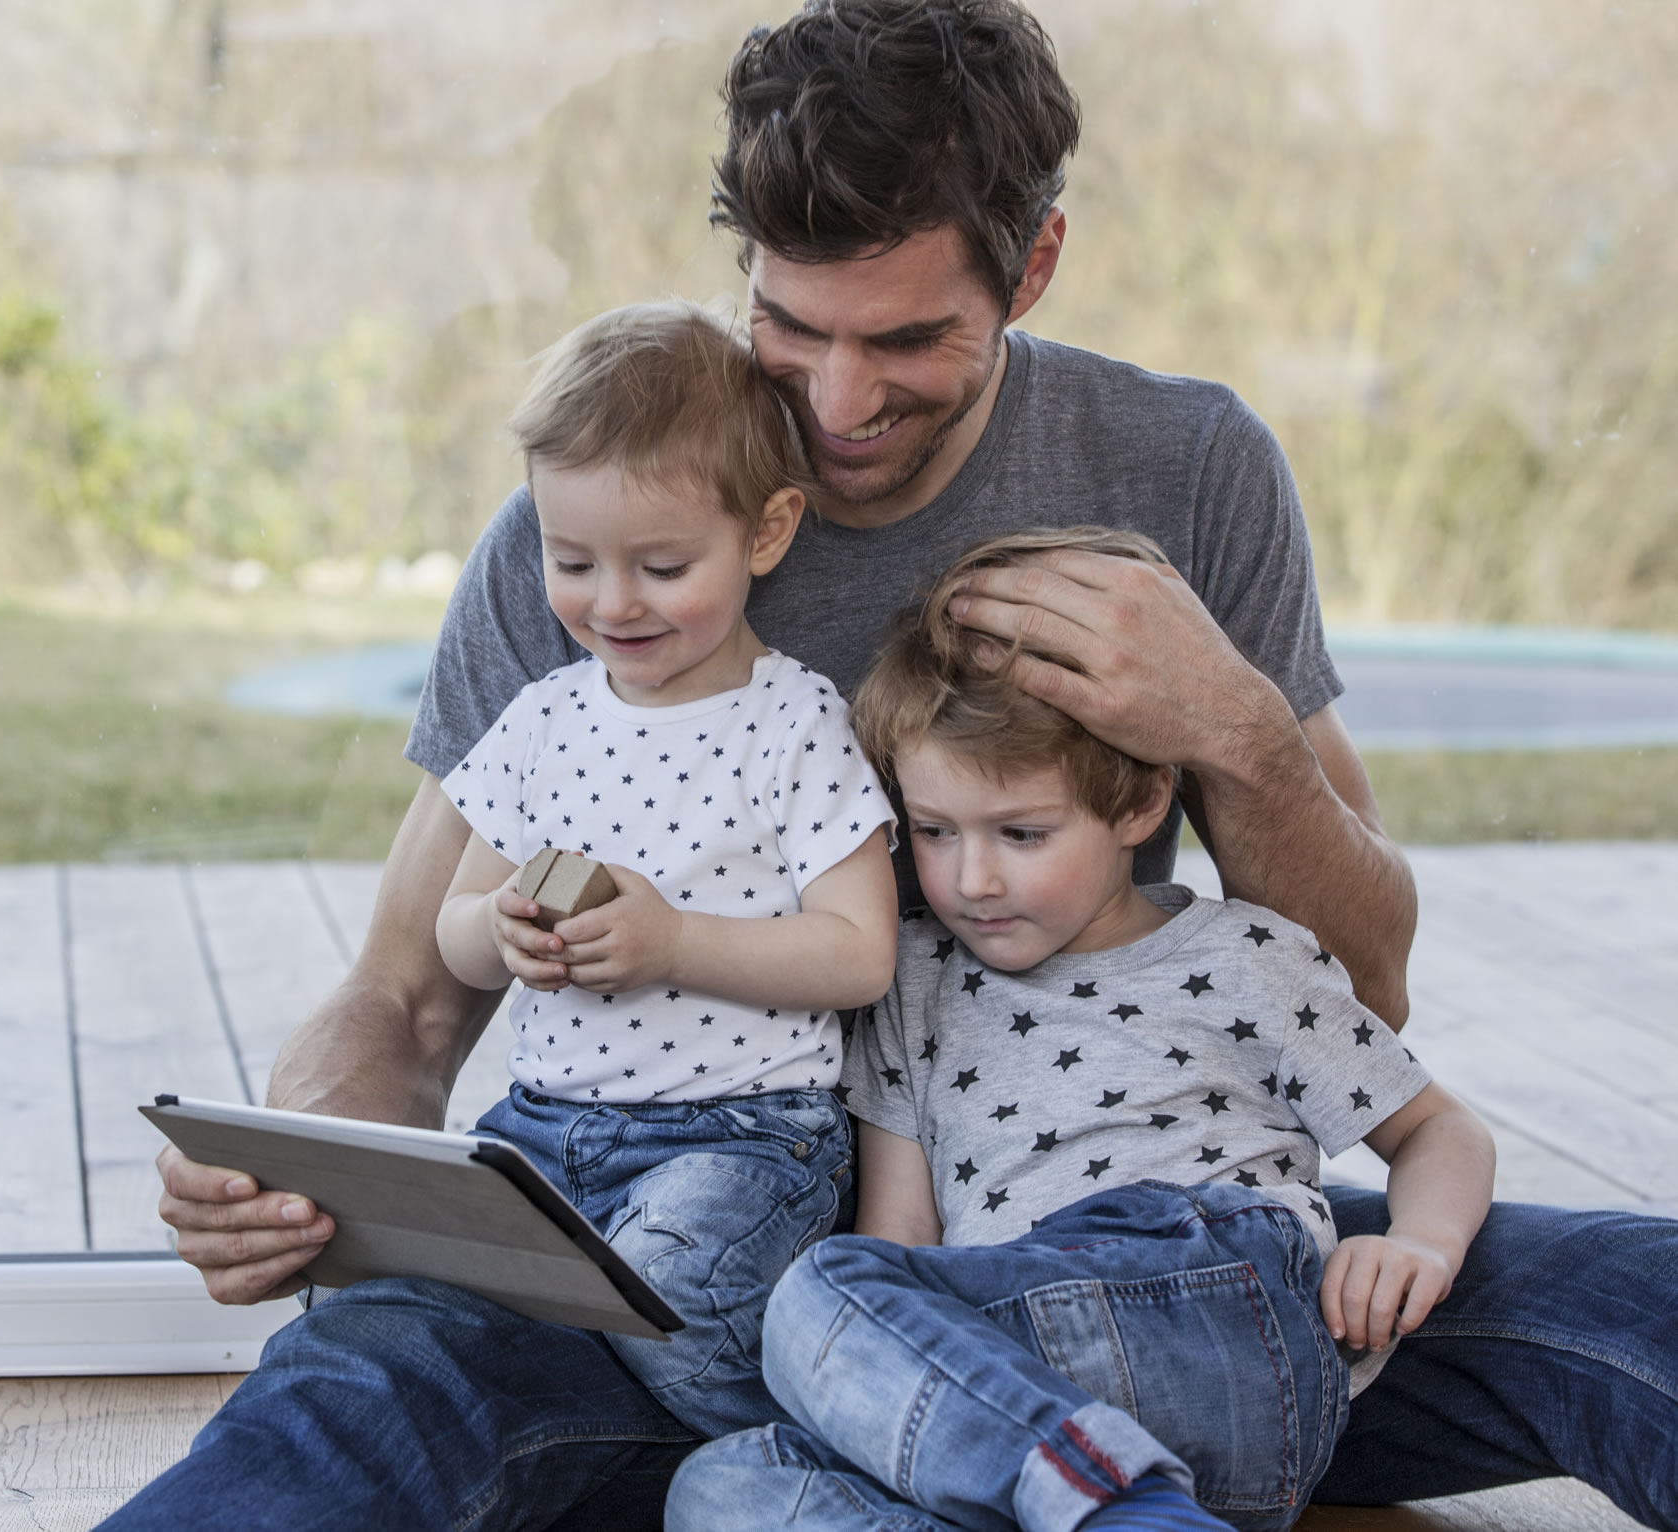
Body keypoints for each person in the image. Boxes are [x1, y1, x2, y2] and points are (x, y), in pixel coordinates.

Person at [120, 4, 1678, 1528]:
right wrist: (302, 1169)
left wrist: (1232, 727)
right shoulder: (611, 539)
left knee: (1636, 1300)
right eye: (788, 328)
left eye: (906, 338)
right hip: (682, 1266)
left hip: (1117, 1242)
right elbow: (402, 996)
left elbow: (1360, 990)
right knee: (358, 1389)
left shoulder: (1184, 470)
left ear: (1034, 264)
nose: (837, 406)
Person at [664, 528, 1497, 1532]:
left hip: (1210, 1307)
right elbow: (904, 1238)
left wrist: (1418, 1241)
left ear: (1143, 800)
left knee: (816, 1298)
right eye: (934, 830)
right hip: (1016, 1385)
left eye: (1020, 833)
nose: (971, 878)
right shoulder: (910, 976)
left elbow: (1439, 1128)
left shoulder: (1243, 954)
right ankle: (1126, 1512)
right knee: (725, 1486)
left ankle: (1114, 1505)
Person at [432, 300, 898, 1436]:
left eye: (661, 564)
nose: (612, 602)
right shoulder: (543, 718)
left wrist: (672, 941)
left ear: (767, 532)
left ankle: (820, 1459)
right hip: (542, 1126)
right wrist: (501, 927)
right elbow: (451, 923)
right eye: (572, 560)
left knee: (671, 1302)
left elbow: (860, 952)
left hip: (738, 1134)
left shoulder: (791, 720)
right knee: (438, 1303)